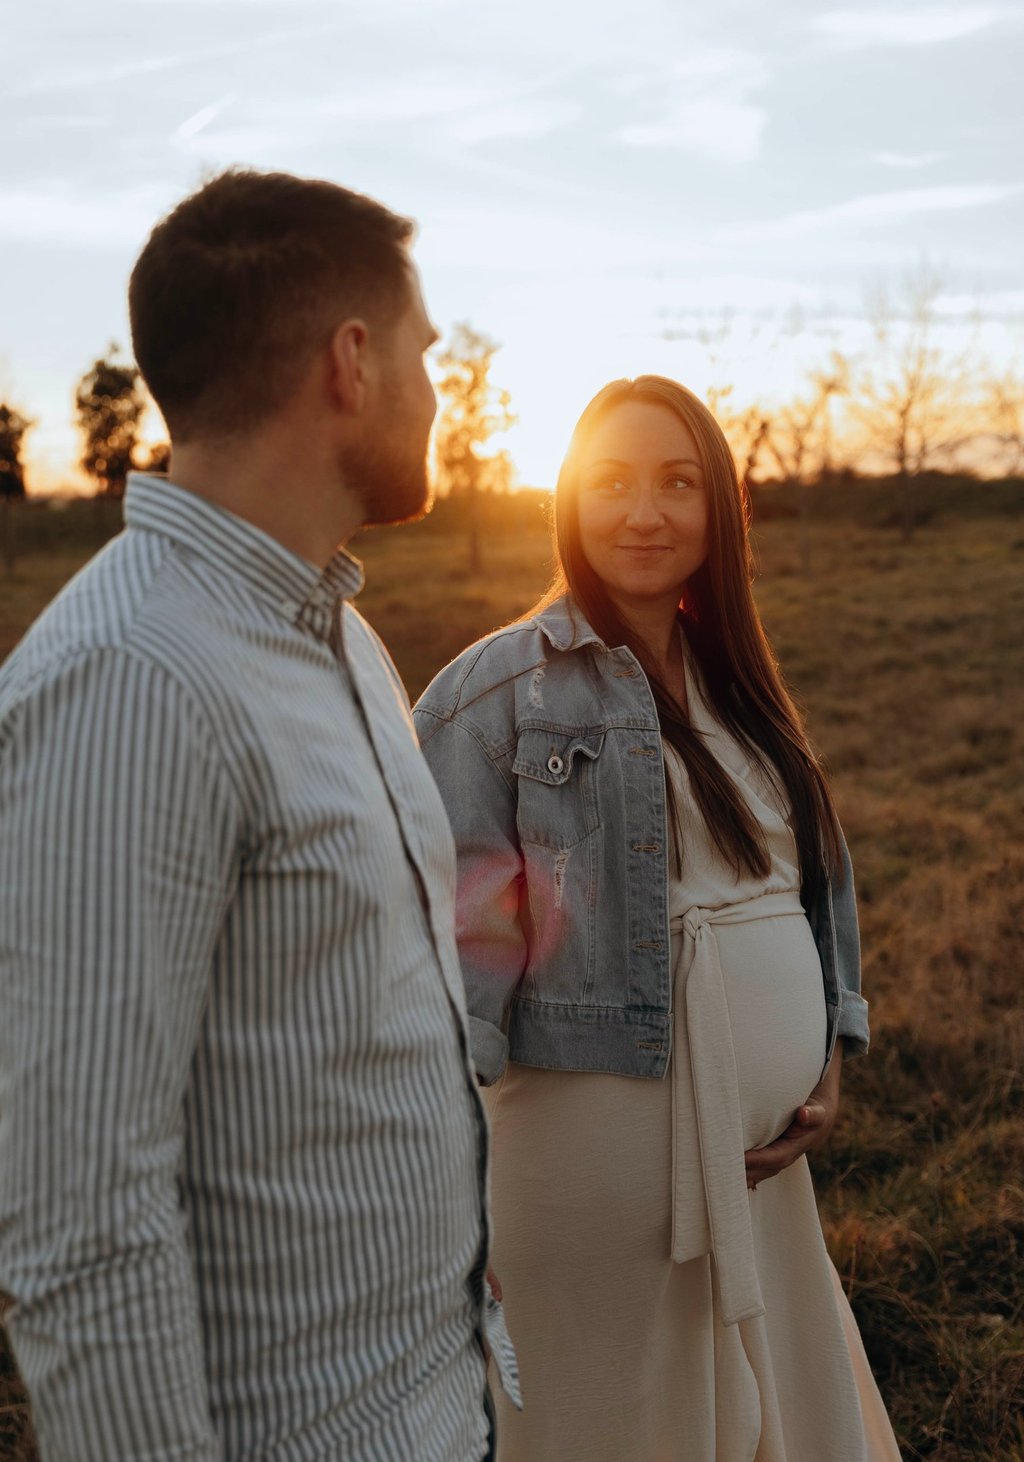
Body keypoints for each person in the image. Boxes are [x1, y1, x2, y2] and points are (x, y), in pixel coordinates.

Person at [0, 169, 518, 1461]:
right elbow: (80, 1220)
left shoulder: (337, 634)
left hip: (437, 1406)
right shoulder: (133, 680)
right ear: (351, 362)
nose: (436, 388)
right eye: (423, 351)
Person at [413, 376, 901, 1460]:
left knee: (788, 1409)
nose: (644, 512)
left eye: (677, 483)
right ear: (568, 499)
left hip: (762, 1166)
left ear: (718, 508)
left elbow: (808, 877)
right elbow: (446, 958)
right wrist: (440, 1178)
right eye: (613, 483)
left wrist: (826, 1052)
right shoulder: (492, 696)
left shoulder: (741, 681)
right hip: (596, 1160)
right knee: (617, 1421)